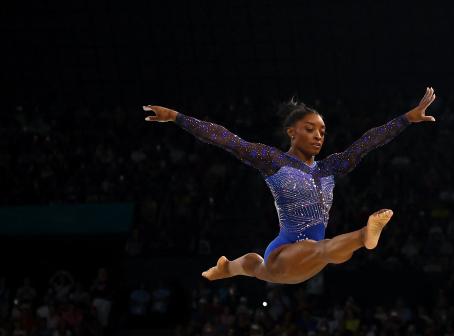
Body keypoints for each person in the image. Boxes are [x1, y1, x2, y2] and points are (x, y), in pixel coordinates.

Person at [143, 87, 437, 284]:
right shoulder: (273, 161)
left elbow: (366, 144)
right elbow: (226, 139)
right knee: (312, 252)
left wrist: (406, 119)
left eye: (322, 131)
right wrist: (177, 117)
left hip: (312, 256)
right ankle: (364, 236)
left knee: (257, 264)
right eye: (309, 130)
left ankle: (226, 268)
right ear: (291, 133)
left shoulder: (329, 168)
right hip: (283, 253)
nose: (318, 136)